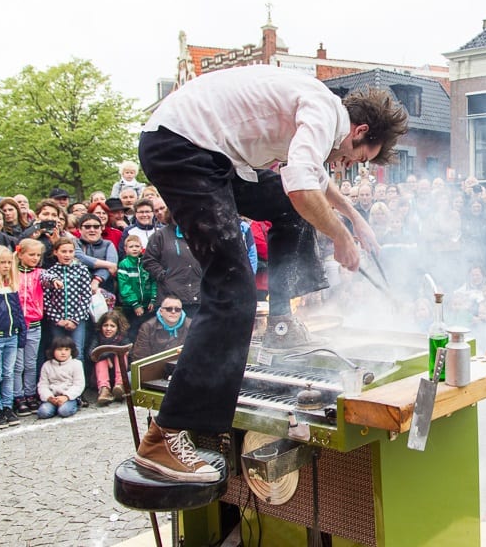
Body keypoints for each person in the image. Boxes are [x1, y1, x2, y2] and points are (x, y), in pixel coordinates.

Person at [135, 65, 407, 482]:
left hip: (206, 153)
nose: (349, 165)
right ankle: (163, 437)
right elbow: (301, 186)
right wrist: (340, 238)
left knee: (289, 208)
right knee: (234, 292)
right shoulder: (321, 111)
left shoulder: (320, 113)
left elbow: (309, 180)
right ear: (360, 131)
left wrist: (353, 216)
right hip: (186, 150)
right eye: (359, 158)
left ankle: (281, 320)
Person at [0, 246, 26, 430]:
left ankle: (7, 406)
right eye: (3, 262)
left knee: (9, 373)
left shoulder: (10, 284)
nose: (7, 266)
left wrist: (21, 332)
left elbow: (18, 312)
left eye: (9, 262)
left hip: (12, 336)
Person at [41, 237, 93, 359]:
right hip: (57, 321)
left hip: (77, 319)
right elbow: (46, 299)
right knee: (58, 350)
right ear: (55, 252)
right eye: (63, 251)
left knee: (77, 350)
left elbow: (86, 296)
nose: (67, 255)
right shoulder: (51, 272)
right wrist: (57, 319)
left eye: (70, 251)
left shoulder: (82, 270)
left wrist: (75, 319)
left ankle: (78, 378)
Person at [13, 239, 45, 416]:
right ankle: (18, 396)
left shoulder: (40, 273)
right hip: (17, 325)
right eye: (31, 254)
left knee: (31, 363)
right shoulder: (12, 273)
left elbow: (49, 277)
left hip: (34, 324)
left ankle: (30, 393)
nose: (35, 258)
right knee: (18, 365)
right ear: (20, 254)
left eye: (38, 255)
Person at [117, 234, 157, 342]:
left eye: (137, 246)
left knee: (148, 329)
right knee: (133, 331)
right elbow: (125, 286)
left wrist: (153, 299)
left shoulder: (146, 263)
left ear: (141, 248)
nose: (134, 249)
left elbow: (153, 281)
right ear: (125, 249)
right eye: (131, 247)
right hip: (131, 306)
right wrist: (135, 304)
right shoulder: (124, 264)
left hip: (147, 304)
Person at [35, 336, 85, 419]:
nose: (63, 353)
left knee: (64, 411)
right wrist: (49, 397)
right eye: (59, 349)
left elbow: (79, 385)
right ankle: (54, 407)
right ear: (52, 351)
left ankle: (76, 404)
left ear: (71, 351)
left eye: (66, 349)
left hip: (69, 397)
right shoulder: (47, 365)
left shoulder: (76, 364)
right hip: (53, 397)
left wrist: (66, 396)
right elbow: (42, 385)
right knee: (43, 412)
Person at [131, 295, 191, 362]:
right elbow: (140, 357)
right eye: (169, 309)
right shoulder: (147, 327)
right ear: (161, 311)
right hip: (155, 368)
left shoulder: (192, 326)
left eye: (177, 309)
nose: (173, 312)